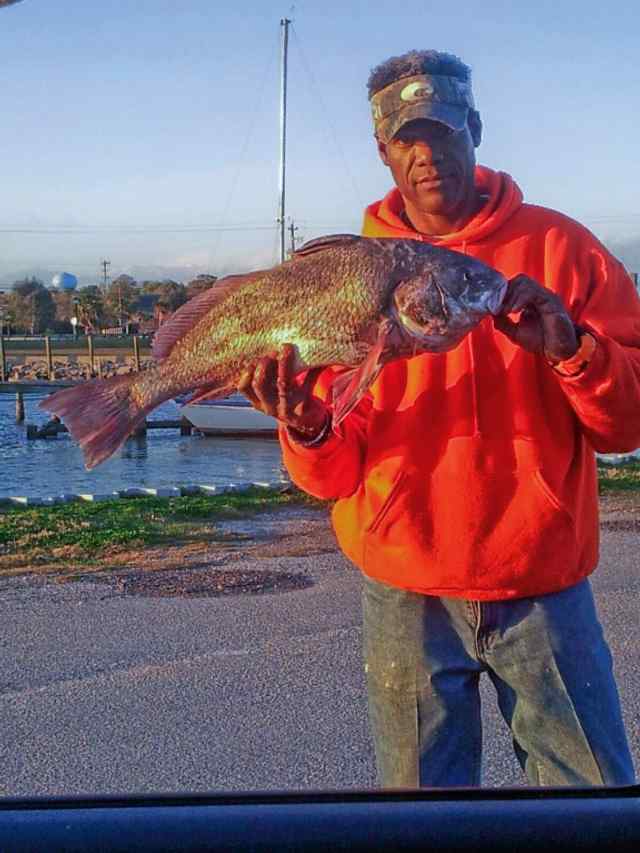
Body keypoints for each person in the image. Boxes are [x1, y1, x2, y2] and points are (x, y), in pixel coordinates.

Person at [238, 49, 640, 788]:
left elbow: (627, 426)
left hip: (543, 583)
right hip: (406, 592)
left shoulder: (565, 249)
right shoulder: (341, 279)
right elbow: (335, 475)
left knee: (597, 806)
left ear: (476, 129)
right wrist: (306, 425)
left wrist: (576, 352)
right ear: (384, 152)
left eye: (445, 131)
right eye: (407, 138)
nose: (427, 155)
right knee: (420, 818)